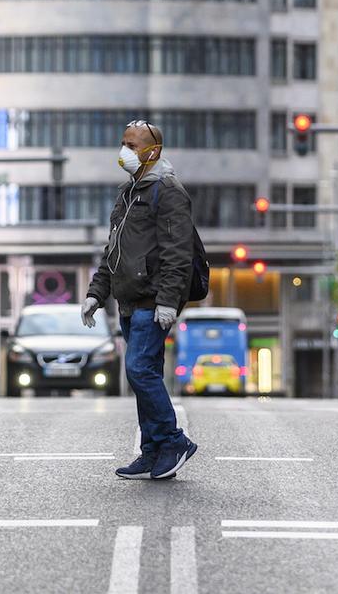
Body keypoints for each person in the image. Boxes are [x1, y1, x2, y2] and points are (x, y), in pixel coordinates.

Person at [84, 119, 199, 481]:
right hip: (129, 300)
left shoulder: (168, 192)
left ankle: (172, 440)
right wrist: (96, 293)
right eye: (124, 144)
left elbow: (178, 253)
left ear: (154, 151)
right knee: (141, 373)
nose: (125, 152)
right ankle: (152, 451)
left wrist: (168, 300)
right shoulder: (128, 192)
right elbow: (113, 251)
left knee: (139, 369)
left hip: (152, 299)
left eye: (133, 146)